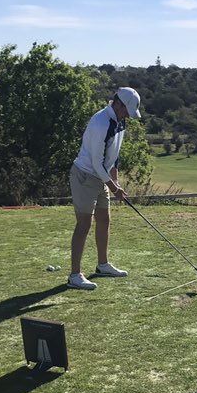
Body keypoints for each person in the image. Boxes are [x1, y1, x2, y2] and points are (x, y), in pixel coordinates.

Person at [68, 86, 142, 290]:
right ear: (117, 103)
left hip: (101, 176)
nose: (128, 115)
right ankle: (75, 275)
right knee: (83, 224)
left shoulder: (120, 120)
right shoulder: (101, 123)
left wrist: (115, 182)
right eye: (126, 110)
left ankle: (103, 265)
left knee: (104, 219)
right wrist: (114, 188)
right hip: (85, 175)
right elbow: (96, 162)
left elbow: (114, 156)